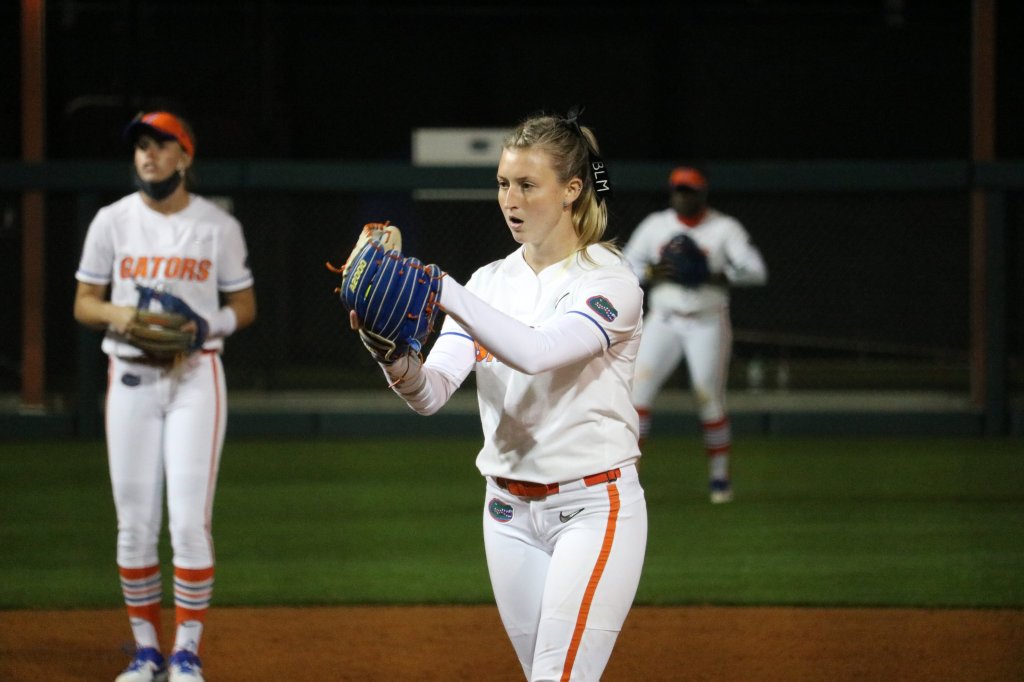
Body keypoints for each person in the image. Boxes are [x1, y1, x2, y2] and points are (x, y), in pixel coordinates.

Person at [350, 109, 647, 681]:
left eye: (527, 185)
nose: (510, 199)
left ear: (572, 190)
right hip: (507, 514)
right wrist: (389, 353)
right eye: (503, 183)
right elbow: (431, 393)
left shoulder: (608, 281)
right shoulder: (488, 283)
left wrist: (439, 287)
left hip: (592, 510)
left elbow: (536, 352)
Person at [73, 111, 257, 682]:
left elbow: (244, 305)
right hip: (130, 377)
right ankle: (147, 650)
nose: (148, 155)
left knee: (188, 523)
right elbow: (84, 301)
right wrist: (120, 315)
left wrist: (207, 326)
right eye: (141, 147)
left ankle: (186, 652)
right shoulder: (111, 221)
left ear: (185, 155)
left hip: (194, 378)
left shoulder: (217, 226)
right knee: (133, 522)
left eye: (160, 144)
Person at [622, 166, 767, 504]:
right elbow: (624, 267)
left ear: (702, 194)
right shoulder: (656, 225)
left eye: (689, 191)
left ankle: (719, 478)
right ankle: (628, 478)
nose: (682, 196)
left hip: (707, 320)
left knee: (708, 398)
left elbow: (756, 271)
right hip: (664, 319)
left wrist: (717, 275)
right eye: (678, 190)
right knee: (636, 397)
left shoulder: (724, 228)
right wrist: (653, 270)